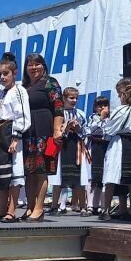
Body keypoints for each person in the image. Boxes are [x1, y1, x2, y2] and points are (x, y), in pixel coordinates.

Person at [0, 53, 31, 222]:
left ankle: (12, 210)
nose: (3, 77)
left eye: (6, 74)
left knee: (14, 172)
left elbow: (22, 115)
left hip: (11, 133)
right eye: (0, 74)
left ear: (14, 73)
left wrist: (16, 137)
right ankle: (2, 209)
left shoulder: (19, 91)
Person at [19, 54, 63, 221]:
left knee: (40, 170)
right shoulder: (23, 86)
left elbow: (58, 107)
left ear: (43, 66)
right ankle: (30, 207)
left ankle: (39, 208)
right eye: (30, 65)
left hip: (44, 130)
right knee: (28, 171)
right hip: (26, 132)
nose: (34, 67)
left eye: (37, 64)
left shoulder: (50, 82)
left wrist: (57, 130)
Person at [101, 77, 131, 221]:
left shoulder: (120, 110)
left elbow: (108, 131)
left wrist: (104, 119)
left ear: (122, 95)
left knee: (111, 178)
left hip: (118, 144)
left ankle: (105, 211)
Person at [53, 86, 88, 214]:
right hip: (63, 146)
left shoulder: (80, 113)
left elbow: (86, 131)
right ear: (64, 98)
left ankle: (83, 206)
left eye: (76, 98)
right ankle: (55, 206)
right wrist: (66, 128)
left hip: (76, 146)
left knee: (79, 176)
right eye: (71, 98)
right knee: (59, 176)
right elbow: (56, 132)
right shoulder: (59, 114)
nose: (74, 101)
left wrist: (78, 128)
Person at [84, 97, 111, 214]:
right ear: (95, 107)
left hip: (106, 147)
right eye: (99, 106)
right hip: (94, 147)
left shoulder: (112, 118)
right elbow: (91, 129)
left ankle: (100, 204)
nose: (102, 108)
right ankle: (90, 204)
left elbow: (110, 130)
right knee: (93, 176)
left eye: (105, 105)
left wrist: (106, 119)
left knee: (103, 177)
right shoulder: (92, 117)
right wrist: (101, 118)